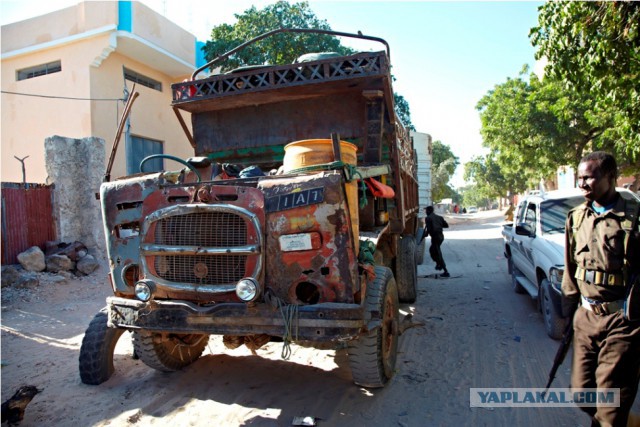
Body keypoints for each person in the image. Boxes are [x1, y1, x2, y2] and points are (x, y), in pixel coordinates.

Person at [561, 151, 640, 426]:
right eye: (579, 177)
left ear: (610, 177)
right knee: (582, 395)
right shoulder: (576, 217)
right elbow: (570, 268)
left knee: (610, 406)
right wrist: (568, 310)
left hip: (622, 321)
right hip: (585, 319)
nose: (582, 183)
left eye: (589, 177)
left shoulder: (634, 218)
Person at [421, 205, 450, 277]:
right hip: (440, 237)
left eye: (426, 211)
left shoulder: (428, 218)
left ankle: (445, 271)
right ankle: (438, 264)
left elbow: (429, 229)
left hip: (435, 237)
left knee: (437, 253)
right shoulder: (439, 217)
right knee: (432, 250)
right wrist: (438, 224)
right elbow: (446, 225)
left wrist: (425, 234)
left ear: (429, 211)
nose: (426, 212)